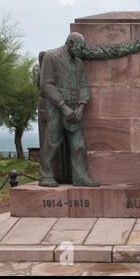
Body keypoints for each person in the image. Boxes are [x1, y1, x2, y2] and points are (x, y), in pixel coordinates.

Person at [38, 32, 99, 187]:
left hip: (75, 108)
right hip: (56, 107)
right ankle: (46, 176)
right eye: (80, 48)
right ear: (70, 43)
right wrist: (62, 106)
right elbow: (47, 85)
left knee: (79, 145)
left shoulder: (78, 62)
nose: (81, 52)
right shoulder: (51, 56)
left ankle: (80, 177)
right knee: (52, 142)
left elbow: (84, 85)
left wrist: (82, 105)